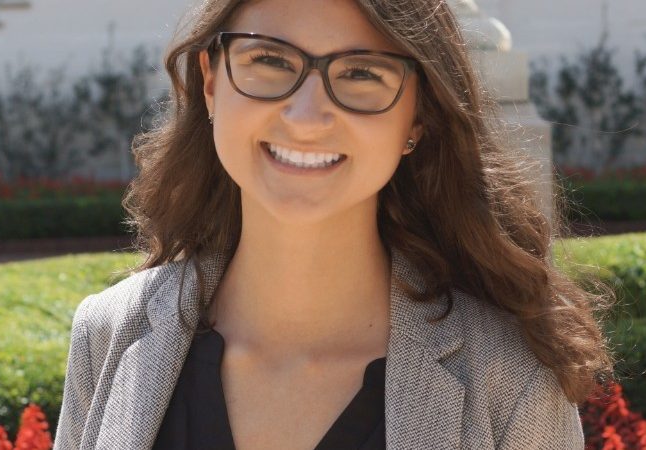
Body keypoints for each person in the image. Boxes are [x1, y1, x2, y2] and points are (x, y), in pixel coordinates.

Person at [54, 0, 613, 448]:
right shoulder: (108, 335)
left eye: (361, 73)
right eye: (270, 61)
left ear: (417, 118)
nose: (306, 117)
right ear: (210, 81)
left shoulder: (511, 379)